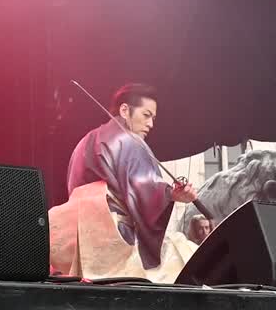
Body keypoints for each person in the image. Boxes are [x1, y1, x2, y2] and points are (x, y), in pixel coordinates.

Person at [51, 83, 209, 282]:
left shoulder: (84, 142)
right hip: (116, 240)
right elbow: (144, 188)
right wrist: (171, 194)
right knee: (187, 256)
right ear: (125, 110)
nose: (151, 124)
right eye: (146, 115)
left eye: (153, 118)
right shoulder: (130, 141)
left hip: (77, 241)